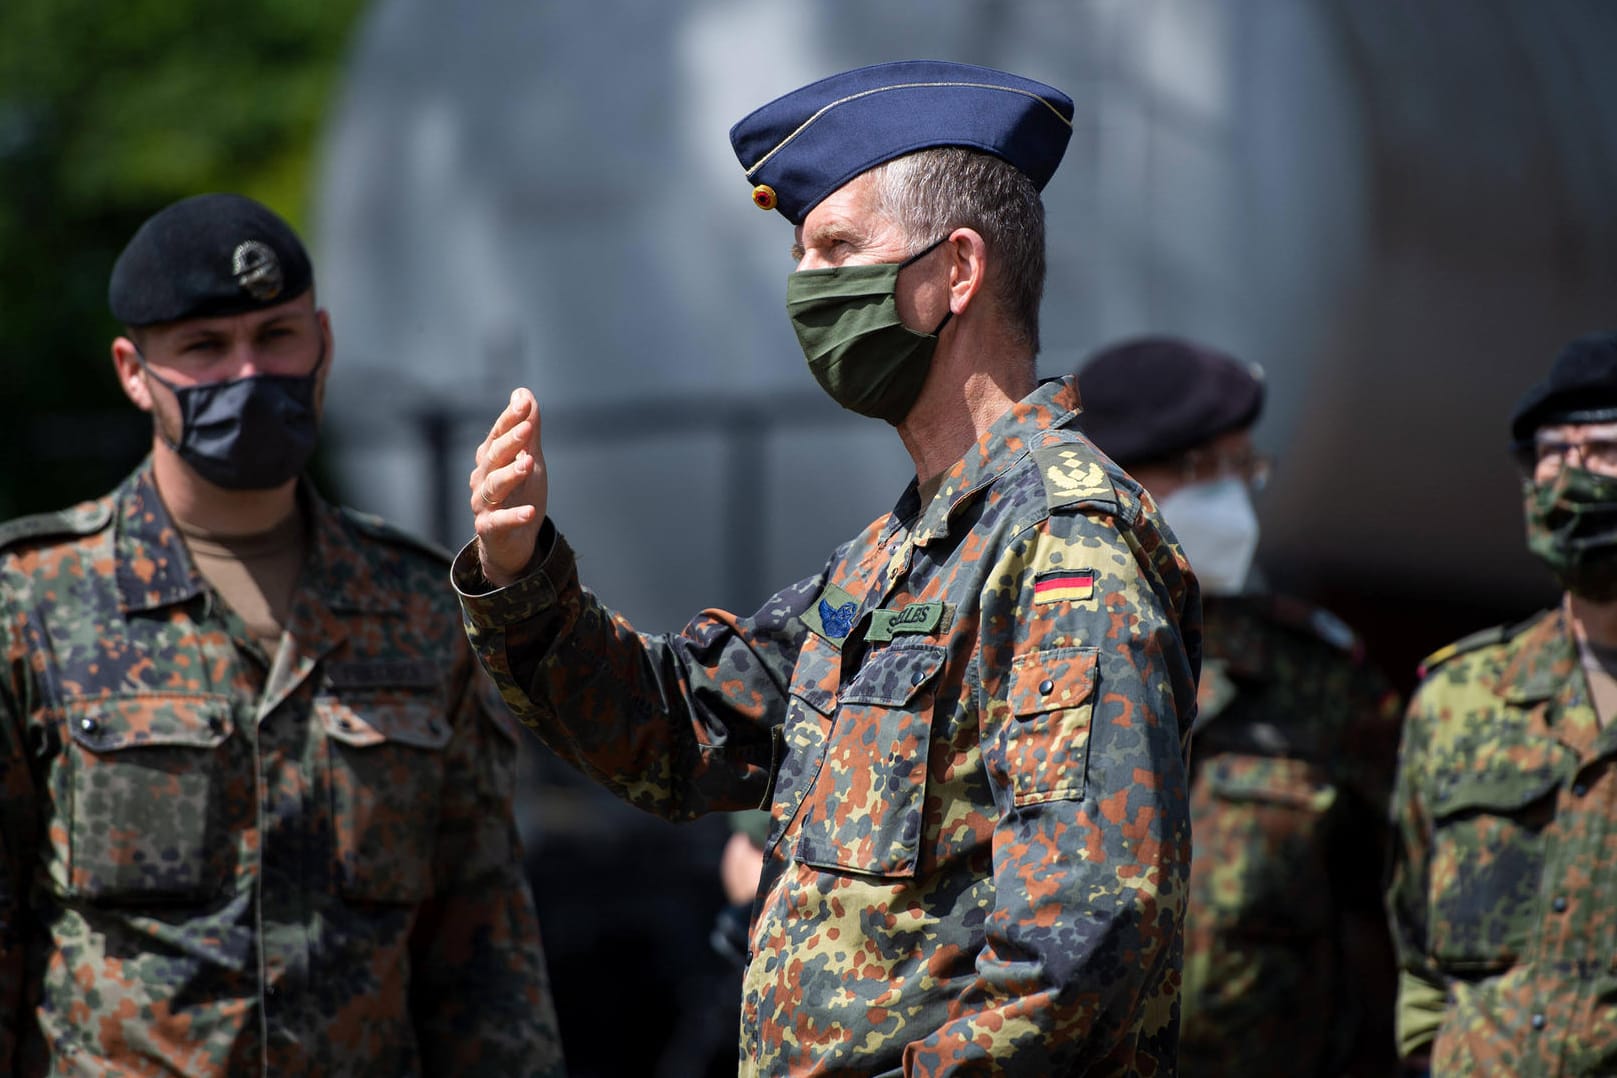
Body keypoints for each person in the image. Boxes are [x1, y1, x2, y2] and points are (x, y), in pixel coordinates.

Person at [455, 60, 1201, 1074]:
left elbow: (1083, 946)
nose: (807, 287)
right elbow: (678, 730)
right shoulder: (893, 557)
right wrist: (521, 573)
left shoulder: (1065, 544)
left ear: (957, 271)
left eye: (837, 248)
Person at [0, 194, 563, 1076]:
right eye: (204, 348)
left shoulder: (419, 604)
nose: (250, 373)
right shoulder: (30, 601)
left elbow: (482, 937)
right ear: (132, 370)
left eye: (277, 336)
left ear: (324, 343)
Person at [1076, 336, 1404, 1076]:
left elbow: (1416, 901)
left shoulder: (1314, 679)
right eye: (1200, 470)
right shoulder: (1027, 661)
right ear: (1113, 481)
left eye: (1241, 468)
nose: (1229, 498)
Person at [1387, 330, 1617, 1076]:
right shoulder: (1460, 699)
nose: (1567, 479)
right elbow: (1416, 952)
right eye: (1549, 454)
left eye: (1601, 450)